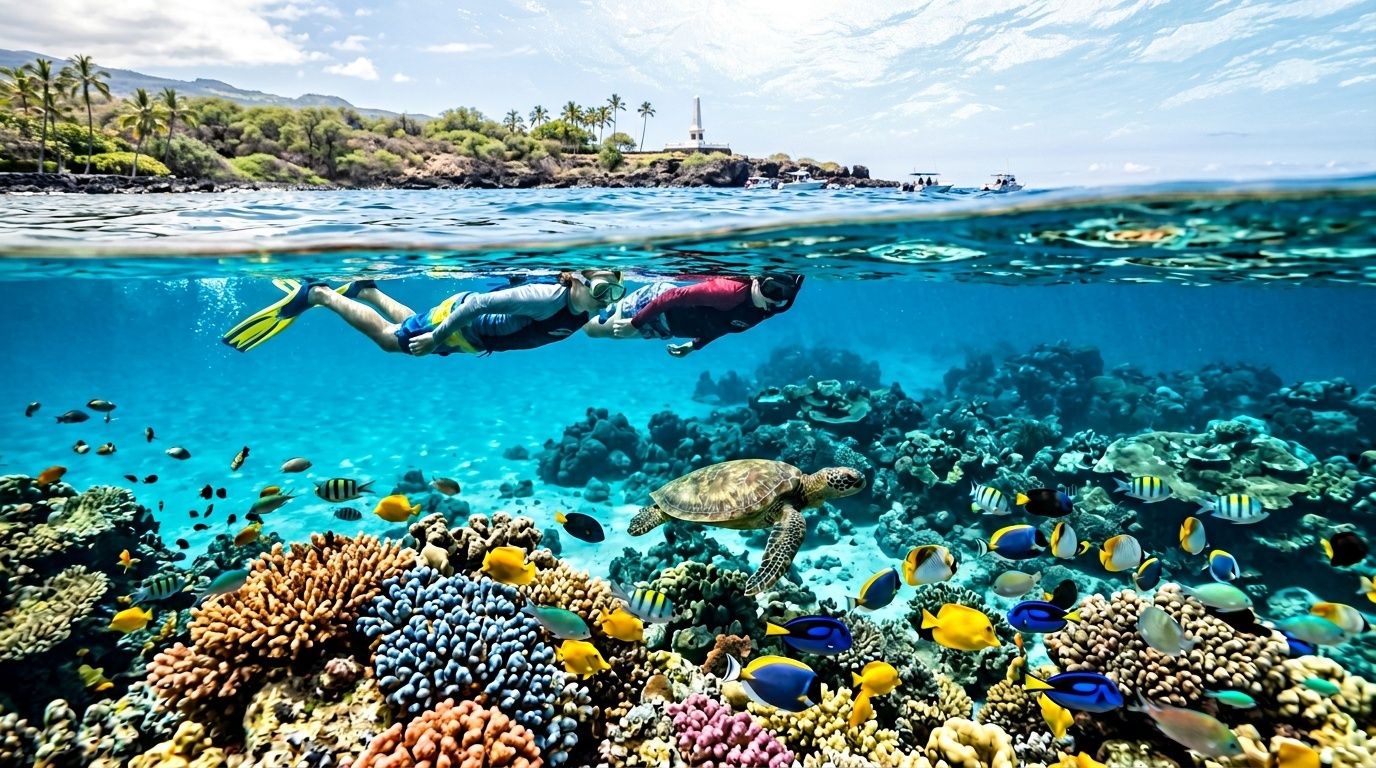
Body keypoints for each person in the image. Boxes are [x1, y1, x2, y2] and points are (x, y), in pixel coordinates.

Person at [223, 270, 625, 355]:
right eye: (603, 289)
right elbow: (477, 304)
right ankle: (320, 295)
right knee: (390, 341)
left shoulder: (587, 304)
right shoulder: (545, 297)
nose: (608, 297)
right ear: (574, 280)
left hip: (469, 338)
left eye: (616, 290)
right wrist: (435, 336)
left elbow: (592, 322)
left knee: (409, 322)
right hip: (463, 324)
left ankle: (367, 290)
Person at [583, 274, 802, 356]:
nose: (775, 299)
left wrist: (693, 346)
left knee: (601, 333)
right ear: (758, 280)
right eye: (772, 290)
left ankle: (600, 295)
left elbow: (724, 326)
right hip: (655, 303)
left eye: (784, 295)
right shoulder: (728, 292)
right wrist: (635, 321)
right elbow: (674, 295)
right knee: (593, 330)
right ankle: (591, 288)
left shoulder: (761, 313)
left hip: (665, 328)